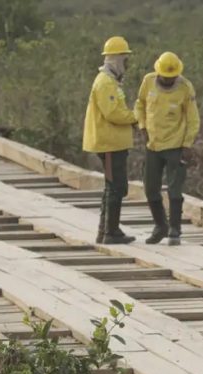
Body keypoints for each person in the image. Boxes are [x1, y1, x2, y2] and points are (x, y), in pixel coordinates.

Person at [135, 51, 200, 246]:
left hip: (175, 146)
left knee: (174, 190)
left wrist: (187, 144)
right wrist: (142, 126)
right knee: (150, 188)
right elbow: (140, 105)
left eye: (172, 77)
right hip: (153, 145)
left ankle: (175, 229)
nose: (168, 80)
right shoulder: (148, 81)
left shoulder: (185, 88)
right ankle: (160, 225)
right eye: (165, 76)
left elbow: (193, 119)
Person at [83, 36, 138, 245]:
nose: (127, 63)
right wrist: (136, 118)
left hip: (114, 143)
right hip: (109, 144)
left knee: (113, 186)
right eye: (125, 59)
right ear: (116, 59)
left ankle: (105, 230)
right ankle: (110, 232)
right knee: (116, 187)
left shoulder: (111, 81)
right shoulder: (105, 83)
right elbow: (114, 113)